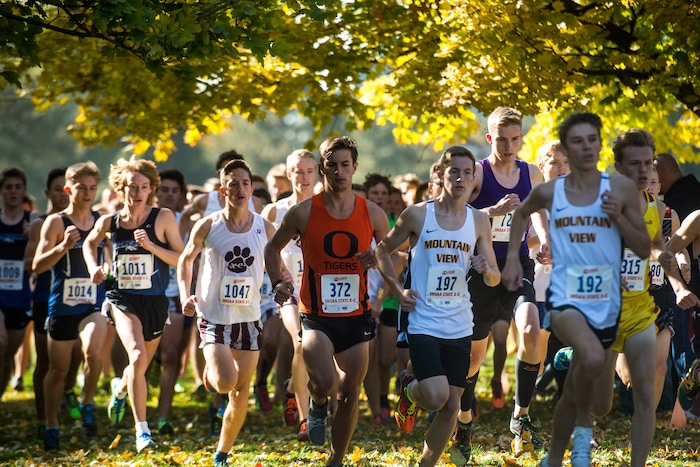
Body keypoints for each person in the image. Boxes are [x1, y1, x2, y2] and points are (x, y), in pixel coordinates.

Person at [501, 111, 651, 467]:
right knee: (594, 358)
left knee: (606, 399)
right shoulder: (551, 190)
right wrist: (511, 257)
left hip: (612, 303)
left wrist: (617, 218)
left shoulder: (620, 188)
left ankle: (554, 455)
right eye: (577, 141)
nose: (585, 147)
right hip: (568, 299)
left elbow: (644, 248)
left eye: (591, 140)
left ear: (600, 144)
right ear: (568, 146)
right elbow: (522, 214)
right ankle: (581, 442)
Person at [264, 136, 392, 467]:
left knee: (349, 396)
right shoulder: (303, 213)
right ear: (323, 169)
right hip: (316, 315)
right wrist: (278, 282)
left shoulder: (372, 213)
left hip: (357, 317)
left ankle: (336, 460)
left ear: (354, 167)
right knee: (322, 381)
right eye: (332, 165)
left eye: (345, 164)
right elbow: (270, 249)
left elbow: (393, 256)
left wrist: (379, 258)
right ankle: (318, 402)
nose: (339, 171)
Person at [374, 146, 500, 466]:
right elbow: (382, 252)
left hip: (459, 321)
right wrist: (396, 290)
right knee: (434, 395)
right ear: (441, 175)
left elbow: (495, 279)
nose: (460, 178)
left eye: (467, 173)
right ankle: (410, 388)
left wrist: (487, 269)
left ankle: (425, 464)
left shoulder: (479, 220)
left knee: (451, 405)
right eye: (454, 171)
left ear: (473, 179)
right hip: (423, 319)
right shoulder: (417, 214)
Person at [601, 129, 699, 467]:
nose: (643, 171)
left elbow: (659, 249)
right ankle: (577, 357)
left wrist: (679, 286)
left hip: (644, 305)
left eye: (648, 163)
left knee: (648, 385)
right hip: (605, 307)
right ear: (618, 166)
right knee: (604, 399)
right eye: (634, 163)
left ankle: (638, 460)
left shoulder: (654, 206)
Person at [459, 106, 549, 457]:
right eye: (502, 139)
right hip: (480, 271)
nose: (509, 146)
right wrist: (491, 212)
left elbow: (539, 213)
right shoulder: (478, 174)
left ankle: (521, 416)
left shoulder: (532, 173)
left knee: (529, 330)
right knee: (473, 358)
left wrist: (544, 240)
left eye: (515, 139)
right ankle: (464, 421)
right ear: (489, 138)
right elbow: (455, 215)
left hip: (517, 266)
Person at [178, 159, 276, 467]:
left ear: (252, 188)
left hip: (249, 318)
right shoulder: (209, 225)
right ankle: (211, 372)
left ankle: (222, 452)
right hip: (214, 317)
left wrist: (283, 283)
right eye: (233, 183)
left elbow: (278, 265)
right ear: (224, 190)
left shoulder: (265, 227)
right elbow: (185, 260)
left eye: (245, 183)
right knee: (224, 384)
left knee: (240, 391)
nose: (240, 189)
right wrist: (186, 295)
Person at [83, 156, 184, 453]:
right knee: (138, 355)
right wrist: (93, 267)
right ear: (120, 188)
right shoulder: (110, 221)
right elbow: (91, 243)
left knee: (138, 365)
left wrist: (152, 246)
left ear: (150, 188)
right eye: (130, 187)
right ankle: (143, 432)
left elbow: (182, 258)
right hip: (121, 298)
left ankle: (120, 386)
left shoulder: (163, 217)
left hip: (154, 301)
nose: (137, 192)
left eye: (143, 187)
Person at [32, 162, 109, 450]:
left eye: (92, 188)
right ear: (68, 190)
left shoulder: (102, 221)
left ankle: (87, 401)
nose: (88, 194)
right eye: (81, 188)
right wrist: (63, 246)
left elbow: (112, 254)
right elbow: (38, 266)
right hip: (62, 306)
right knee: (58, 371)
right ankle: (51, 423)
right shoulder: (55, 222)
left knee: (93, 351)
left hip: (93, 302)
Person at [261, 149, 317, 440]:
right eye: (298, 171)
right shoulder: (274, 212)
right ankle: (306, 421)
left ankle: (298, 390)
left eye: (309, 171)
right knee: (299, 342)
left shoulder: (326, 207)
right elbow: (260, 250)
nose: (304, 177)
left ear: (317, 173)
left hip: (322, 293)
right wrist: (275, 279)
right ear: (288, 173)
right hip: (288, 292)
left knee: (322, 354)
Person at [23, 168, 79, 440]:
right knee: (45, 361)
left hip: (78, 300)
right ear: (48, 192)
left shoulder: (82, 221)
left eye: (64, 188)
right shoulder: (39, 224)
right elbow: (30, 264)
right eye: (56, 188)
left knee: (77, 353)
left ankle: (67, 394)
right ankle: (43, 417)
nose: (61, 193)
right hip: (46, 298)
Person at [153, 168, 192, 435]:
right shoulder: (143, 220)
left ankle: (163, 415)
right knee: (141, 357)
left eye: (174, 190)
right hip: (143, 296)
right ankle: (137, 410)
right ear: (155, 192)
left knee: (170, 355)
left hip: (174, 296)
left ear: (181, 196)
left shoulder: (188, 225)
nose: (168, 194)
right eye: (164, 189)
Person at [0, 167, 40, 401]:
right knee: (1, 344)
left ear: (24, 191)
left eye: (17, 187)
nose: (13, 192)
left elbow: (44, 222)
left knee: (8, 357)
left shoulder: (32, 222)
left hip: (20, 297)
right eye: (8, 187)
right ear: (2, 191)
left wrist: (32, 236)